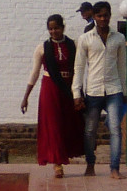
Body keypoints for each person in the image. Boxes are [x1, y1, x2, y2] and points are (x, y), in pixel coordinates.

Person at [71, 0, 127, 178]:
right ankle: (90, 164)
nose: (103, 19)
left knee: (115, 129)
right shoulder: (85, 39)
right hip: (93, 91)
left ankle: (114, 168)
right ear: (94, 17)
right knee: (90, 131)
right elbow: (79, 67)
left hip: (114, 89)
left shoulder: (119, 38)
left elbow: (122, 67)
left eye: (106, 15)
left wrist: (125, 92)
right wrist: (76, 93)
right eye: (100, 16)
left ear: (110, 16)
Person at [20, 12, 82, 177]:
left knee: (67, 123)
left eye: (57, 28)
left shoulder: (73, 45)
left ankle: (68, 154)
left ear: (63, 27)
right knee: (53, 124)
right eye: (51, 29)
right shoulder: (42, 48)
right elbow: (34, 72)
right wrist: (26, 96)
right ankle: (57, 163)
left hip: (69, 88)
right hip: (50, 88)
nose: (54, 31)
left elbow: (80, 68)